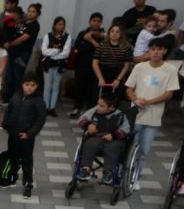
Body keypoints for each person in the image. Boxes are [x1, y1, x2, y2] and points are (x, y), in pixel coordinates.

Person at [125, 35, 179, 173]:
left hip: (153, 118)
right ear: (149, 50)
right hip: (136, 115)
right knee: (128, 147)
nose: (155, 52)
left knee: (144, 150)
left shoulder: (170, 70)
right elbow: (129, 88)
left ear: (164, 51)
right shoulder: (140, 67)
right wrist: (135, 100)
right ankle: (123, 173)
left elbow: (169, 94)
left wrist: (147, 102)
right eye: (153, 49)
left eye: (159, 49)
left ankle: (136, 177)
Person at [2, 72, 47, 198]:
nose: (29, 88)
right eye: (27, 84)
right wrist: (6, 124)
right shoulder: (16, 96)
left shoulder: (39, 101)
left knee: (26, 160)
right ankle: (12, 176)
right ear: (22, 84)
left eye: (32, 85)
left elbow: (40, 120)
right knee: (13, 156)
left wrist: (29, 134)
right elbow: (8, 110)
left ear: (37, 86)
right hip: (13, 134)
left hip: (27, 137)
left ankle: (27, 184)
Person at [75, 92, 132, 184]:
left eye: (102, 106)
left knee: (112, 148)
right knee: (89, 144)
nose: (98, 107)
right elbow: (81, 120)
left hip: (114, 141)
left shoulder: (120, 116)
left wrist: (113, 135)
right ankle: (85, 170)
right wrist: (88, 125)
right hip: (97, 138)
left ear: (111, 107)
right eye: (98, 104)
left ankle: (108, 173)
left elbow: (126, 130)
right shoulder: (94, 111)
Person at [69, 14, 105, 117]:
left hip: (95, 67)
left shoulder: (103, 35)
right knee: (79, 87)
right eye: (94, 21)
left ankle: (91, 111)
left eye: (98, 21)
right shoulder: (82, 34)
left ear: (101, 23)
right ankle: (77, 108)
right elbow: (77, 48)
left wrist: (91, 40)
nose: (96, 23)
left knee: (92, 90)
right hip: (81, 65)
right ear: (89, 22)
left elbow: (101, 50)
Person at [92, 23, 133, 104]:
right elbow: (95, 63)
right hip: (102, 72)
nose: (114, 33)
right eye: (112, 31)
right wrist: (100, 78)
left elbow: (126, 65)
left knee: (113, 99)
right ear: (109, 33)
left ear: (121, 34)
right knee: (97, 97)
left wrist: (118, 79)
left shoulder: (126, 47)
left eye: (117, 32)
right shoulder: (102, 45)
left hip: (117, 73)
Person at [40, 17, 71, 116]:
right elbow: (44, 51)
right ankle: (45, 107)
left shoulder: (67, 37)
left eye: (63, 24)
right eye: (59, 24)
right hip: (48, 64)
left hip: (60, 65)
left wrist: (52, 54)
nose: (61, 26)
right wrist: (57, 50)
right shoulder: (48, 36)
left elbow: (65, 53)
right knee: (47, 86)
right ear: (54, 25)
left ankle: (52, 108)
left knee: (56, 86)